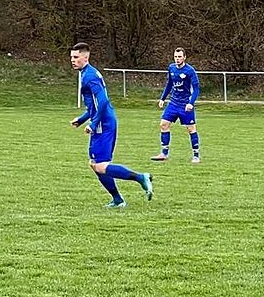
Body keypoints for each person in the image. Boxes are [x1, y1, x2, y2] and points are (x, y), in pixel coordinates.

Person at [69, 42, 153, 208]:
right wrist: (83, 119)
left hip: (103, 123)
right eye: (71, 57)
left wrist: (94, 124)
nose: (72, 60)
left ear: (86, 58)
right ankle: (118, 200)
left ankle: (140, 178)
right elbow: (94, 105)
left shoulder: (89, 76)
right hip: (105, 120)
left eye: (76, 57)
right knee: (95, 163)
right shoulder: (87, 73)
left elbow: (103, 101)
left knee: (99, 165)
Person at [151, 47, 201, 163]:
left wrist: (191, 103)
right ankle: (164, 153)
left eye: (179, 57)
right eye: (175, 57)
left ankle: (196, 155)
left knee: (191, 129)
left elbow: (196, 89)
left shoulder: (190, 71)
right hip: (173, 103)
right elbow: (169, 84)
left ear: (184, 57)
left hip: (185, 104)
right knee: (163, 124)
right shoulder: (171, 68)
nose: (177, 59)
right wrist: (162, 98)